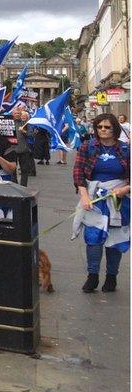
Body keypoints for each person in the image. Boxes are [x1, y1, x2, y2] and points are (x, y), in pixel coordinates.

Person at [72, 113, 130, 292]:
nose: (103, 130)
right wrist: (84, 197)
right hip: (94, 198)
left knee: (114, 238)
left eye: (107, 127)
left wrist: (124, 190)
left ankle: (112, 277)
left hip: (118, 200)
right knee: (93, 237)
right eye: (99, 127)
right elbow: (78, 173)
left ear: (115, 129)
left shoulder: (126, 149)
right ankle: (93, 276)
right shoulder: (87, 147)